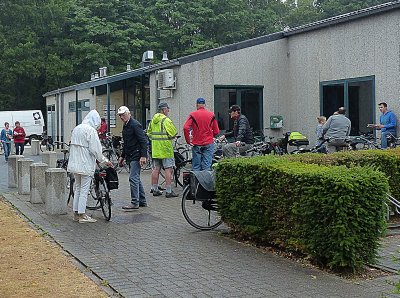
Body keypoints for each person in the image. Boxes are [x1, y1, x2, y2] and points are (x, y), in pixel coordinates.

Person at [67, 110, 113, 223]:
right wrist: (104, 160)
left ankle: (76, 213)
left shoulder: (77, 128)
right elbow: (96, 150)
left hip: (74, 163)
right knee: (84, 189)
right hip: (85, 164)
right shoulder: (91, 131)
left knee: (77, 188)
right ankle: (82, 215)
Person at [117, 106, 148, 210]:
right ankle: (142, 201)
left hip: (136, 155)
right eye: (120, 115)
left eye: (123, 114)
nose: (121, 117)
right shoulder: (126, 125)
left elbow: (143, 141)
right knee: (136, 178)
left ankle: (135, 202)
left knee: (133, 178)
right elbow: (127, 143)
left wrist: (143, 156)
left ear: (128, 113)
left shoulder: (135, 125)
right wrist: (122, 156)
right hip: (131, 155)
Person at [147, 102, 178, 198]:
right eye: (167, 109)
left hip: (156, 149)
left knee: (156, 169)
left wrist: (155, 141)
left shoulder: (153, 120)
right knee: (169, 169)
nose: (168, 111)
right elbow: (173, 133)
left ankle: (154, 189)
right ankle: (168, 191)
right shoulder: (166, 120)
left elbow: (149, 133)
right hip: (165, 149)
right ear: (163, 110)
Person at [183, 97, 220, 171]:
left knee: (196, 166)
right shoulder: (211, 115)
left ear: (197, 105)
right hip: (208, 143)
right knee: (206, 166)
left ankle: (196, 182)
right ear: (204, 105)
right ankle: (205, 182)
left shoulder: (193, 115)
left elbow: (185, 128)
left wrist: (188, 141)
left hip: (197, 143)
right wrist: (210, 136)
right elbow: (216, 131)